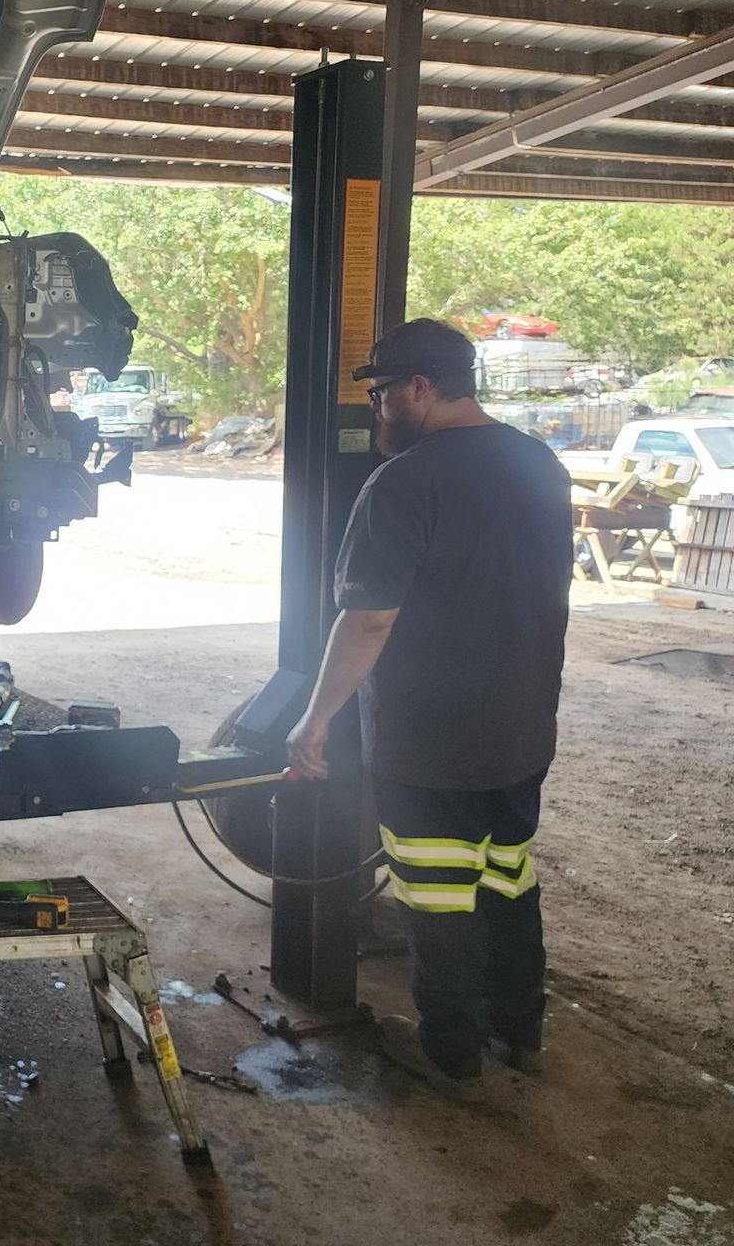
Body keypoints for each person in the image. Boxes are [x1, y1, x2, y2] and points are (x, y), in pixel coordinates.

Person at [284, 318, 572, 1100]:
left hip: (431, 736)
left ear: (418, 388)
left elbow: (369, 618)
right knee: (508, 879)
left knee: (437, 891)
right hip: (522, 725)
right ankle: (521, 1033)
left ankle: (451, 1053)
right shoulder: (539, 461)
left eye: (379, 394)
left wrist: (314, 721)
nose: (376, 411)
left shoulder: (405, 481)